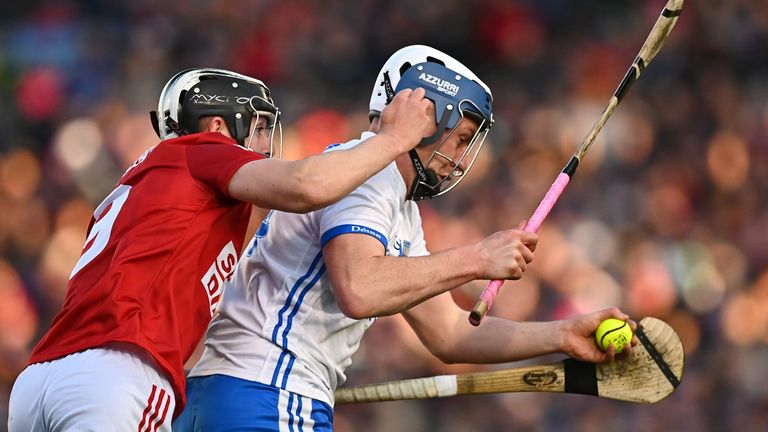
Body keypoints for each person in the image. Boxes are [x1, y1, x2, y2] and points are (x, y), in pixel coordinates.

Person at [174, 47, 638, 431]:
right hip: (267, 392)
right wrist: (478, 257)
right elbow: (360, 288)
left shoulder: (395, 203)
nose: (462, 160)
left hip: (226, 394)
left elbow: (449, 333)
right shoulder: (368, 171)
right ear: (430, 115)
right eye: (461, 138)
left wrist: (562, 334)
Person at [7, 67, 435, 432]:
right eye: (260, 127)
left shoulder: (150, 188)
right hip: (118, 374)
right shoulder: (202, 151)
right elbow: (307, 185)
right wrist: (394, 139)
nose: (266, 144)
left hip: (40, 379)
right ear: (216, 127)